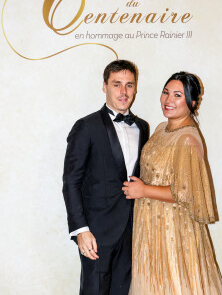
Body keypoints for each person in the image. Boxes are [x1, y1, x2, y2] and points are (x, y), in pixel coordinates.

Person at [123, 72, 222, 294]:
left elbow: (185, 192)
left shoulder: (187, 139)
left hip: (173, 229)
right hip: (150, 224)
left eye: (177, 95)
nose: (168, 100)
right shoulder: (162, 128)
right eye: (166, 92)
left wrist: (142, 190)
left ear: (193, 102)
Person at [62, 60, 149, 295]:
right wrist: (81, 230)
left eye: (129, 85)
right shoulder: (86, 126)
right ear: (104, 86)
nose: (123, 92)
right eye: (117, 84)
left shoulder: (143, 127)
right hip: (97, 232)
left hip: (132, 229)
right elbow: (71, 182)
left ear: (135, 88)